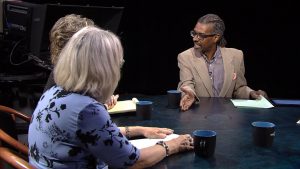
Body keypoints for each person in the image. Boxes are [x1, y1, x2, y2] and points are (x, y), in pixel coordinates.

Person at [28, 26, 193, 169]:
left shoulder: (54, 92)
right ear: (104, 68)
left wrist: (140, 130)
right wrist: (172, 145)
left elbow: (90, 133)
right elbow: (135, 161)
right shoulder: (88, 109)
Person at [44, 14, 174, 142]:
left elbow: (91, 130)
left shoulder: (58, 88)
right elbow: (131, 159)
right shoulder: (79, 103)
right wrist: (171, 146)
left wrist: (140, 130)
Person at [178, 14, 267, 111]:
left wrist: (251, 93)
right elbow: (186, 84)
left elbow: (239, 88)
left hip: (227, 118)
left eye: (201, 35)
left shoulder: (236, 56)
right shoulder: (186, 57)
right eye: (194, 33)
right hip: (199, 115)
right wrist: (189, 94)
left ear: (216, 37)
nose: (195, 38)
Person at [43, 14, 118, 109]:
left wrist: (104, 98)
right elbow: (80, 113)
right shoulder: (64, 80)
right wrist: (103, 106)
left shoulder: (68, 73)